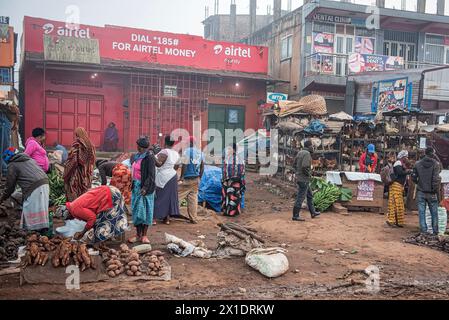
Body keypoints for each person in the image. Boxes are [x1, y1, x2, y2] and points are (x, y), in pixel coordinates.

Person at [56, 185, 128, 246]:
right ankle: (117, 238)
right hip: (111, 191)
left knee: (103, 220)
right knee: (116, 216)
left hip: (110, 195)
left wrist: (83, 232)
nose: (70, 219)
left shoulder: (75, 210)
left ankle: (104, 241)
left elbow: (92, 217)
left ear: (68, 214)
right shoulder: (73, 205)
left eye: (68, 218)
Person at [0, 148, 50, 231]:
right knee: (40, 209)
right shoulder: (29, 159)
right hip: (44, 183)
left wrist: (2, 198)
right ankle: (40, 230)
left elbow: (10, 186)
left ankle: (34, 232)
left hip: (35, 186)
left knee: (30, 209)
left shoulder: (12, 165)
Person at [129, 137, 156, 244]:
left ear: (140, 147)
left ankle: (144, 235)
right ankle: (138, 235)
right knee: (136, 211)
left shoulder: (149, 157)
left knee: (146, 211)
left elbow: (151, 175)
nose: (136, 147)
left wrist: (145, 187)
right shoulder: (137, 156)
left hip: (146, 188)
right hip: (136, 186)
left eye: (137, 145)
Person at [412, 147, 441, 235]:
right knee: (434, 213)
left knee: (421, 212)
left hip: (421, 191)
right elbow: (436, 179)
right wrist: (434, 190)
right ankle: (435, 231)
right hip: (431, 192)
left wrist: (418, 182)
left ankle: (423, 231)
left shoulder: (417, 164)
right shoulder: (436, 164)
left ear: (425, 152)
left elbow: (413, 177)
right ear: (432, 154)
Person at [63, 127, 96, 201]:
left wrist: (66, 172)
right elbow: (92, 161)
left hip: (76, 175)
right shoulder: (92, 146)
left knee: (74, 191)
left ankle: (74, 208)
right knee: (84, 194)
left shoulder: (77, 144)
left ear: (77, 134)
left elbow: (72, 160)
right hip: (87, 175)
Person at [154, 135, 181, 225]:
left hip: (163, 176)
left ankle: (154, 218)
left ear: (165, 142)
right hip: (173, 175)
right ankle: (167, 219)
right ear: (173, 143)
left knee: (158, 196)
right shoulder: (176, 153)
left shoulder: (164, 152)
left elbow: (158, 164)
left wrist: (153, 155)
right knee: (170, 198)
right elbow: (176, 167)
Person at [292, 140, 320, 221]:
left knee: (309, 195)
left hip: (300, 178)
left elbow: (294, 164)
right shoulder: (307, 154)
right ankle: (295, 215)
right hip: (304, 179)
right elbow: (304, 166)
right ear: (309, 146)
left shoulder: (300, 152)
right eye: (312, 145)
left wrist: (298, 172)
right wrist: (309, 174)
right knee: (301, 197)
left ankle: (313, 212)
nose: (313, 147)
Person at [178, 136, 204, 224]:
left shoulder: (187, 151)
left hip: (187, 179)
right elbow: (202, 166)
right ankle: (193, 218)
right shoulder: (200, 153)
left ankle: (169, 214)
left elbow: (184, 164)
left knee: (177, 196)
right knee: (193, 199)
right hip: (196, 179)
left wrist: (181, 177)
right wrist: (200, 176)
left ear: (189, 143)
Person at [222, 143, 246, 217]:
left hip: (235, 181)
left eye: (229, 149)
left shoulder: (238, 159)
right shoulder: (227, 158)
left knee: (234, 196)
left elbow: (241, 170)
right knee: (228, 196)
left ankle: (233, 212)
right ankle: (227, 211)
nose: (228, 150)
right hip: (228, 181)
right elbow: (224, 170)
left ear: (234, 150)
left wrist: (234, 179)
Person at [386, 150, 409, 228]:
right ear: (402, 157)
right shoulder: (398, 163)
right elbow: (400, 172)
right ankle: (392, 221)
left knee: (397, 204)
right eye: (406, 157)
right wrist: (407, 171)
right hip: (396, 185)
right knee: (395, 203)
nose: (407, 158)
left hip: (398, 186)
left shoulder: (400, 163)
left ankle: (396, 221)